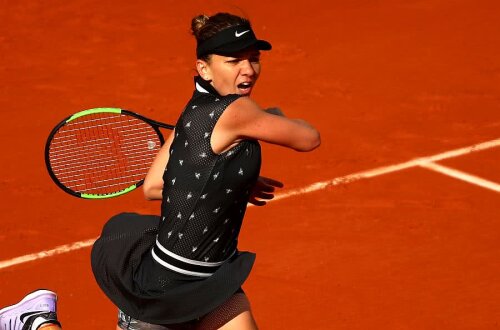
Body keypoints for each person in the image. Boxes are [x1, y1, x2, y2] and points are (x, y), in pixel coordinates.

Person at [0, 12, 319, 330]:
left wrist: (226, 184)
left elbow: (153, 185)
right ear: (204, 69)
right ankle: (37, 321)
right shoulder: (239, 111)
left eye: (253, 58)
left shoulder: (194, 111)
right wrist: (272, 116)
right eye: (233, 60)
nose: (248, 69)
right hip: (168, 289)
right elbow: (308, 138)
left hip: (214, 284)